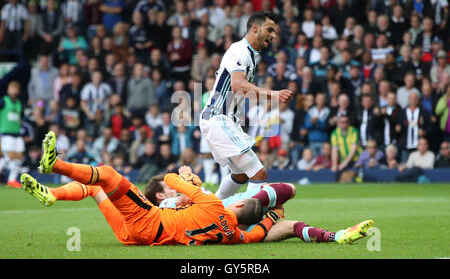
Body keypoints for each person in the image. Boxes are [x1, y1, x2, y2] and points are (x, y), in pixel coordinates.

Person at [22, 138, 373, 246]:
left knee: (110, 175)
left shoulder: (206, 203)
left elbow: (177, 177)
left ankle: (54, 166)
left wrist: (185, 178)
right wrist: (334, 234)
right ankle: (53, 194)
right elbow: (285, 225)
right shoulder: (235, 236)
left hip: (147, 223)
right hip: (135, 235)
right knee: (95, 187)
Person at [200, 11, 293, 200]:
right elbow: (237, 84)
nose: (274, 36)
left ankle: (213, 209)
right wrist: (273, 93)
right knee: (258, 174)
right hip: (218, 117)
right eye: (270, 30)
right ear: (255, 28)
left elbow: (241, 90)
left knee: (240, 175)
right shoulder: (239, 51)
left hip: (224, 120)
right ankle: (246, 221)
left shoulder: (250, 56)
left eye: (275, 32)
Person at [0, 81, 24, 188]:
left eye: (16, 89)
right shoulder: (3, 101)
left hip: (17, 134)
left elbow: (19, 118)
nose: (14, 90)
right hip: (6, 133)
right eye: (12, 88)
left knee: (19, 157)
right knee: (9, 157)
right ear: (8, 90)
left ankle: (11, 180)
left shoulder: (19, 103)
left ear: (18, 91)